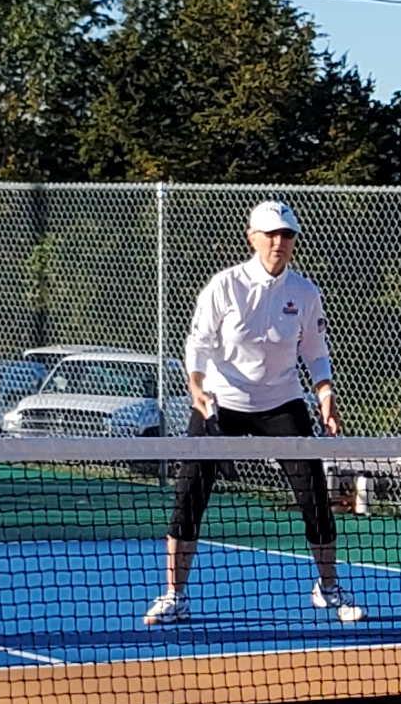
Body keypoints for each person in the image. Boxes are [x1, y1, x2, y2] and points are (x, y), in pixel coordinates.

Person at [147, 199, 358, 625]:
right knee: (189, 496)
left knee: (315, 497)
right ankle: (174, 594)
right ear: (253, 239)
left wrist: (326, 396)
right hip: (221, 404)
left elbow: (316, 353)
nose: (279, 242)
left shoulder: (305, 293)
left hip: (282, 404)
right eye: (271, 234)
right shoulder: (224, 286)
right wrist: (197, 390)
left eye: (287, 235)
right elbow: (198, 344)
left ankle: (328, 588)